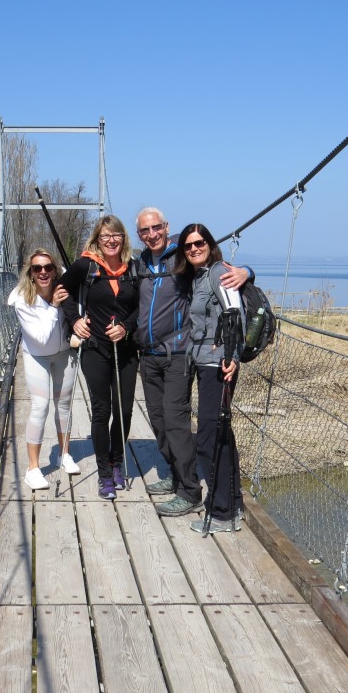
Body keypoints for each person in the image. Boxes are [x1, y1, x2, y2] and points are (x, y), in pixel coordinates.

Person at [135, 207, 250, 517]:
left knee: (176, 421)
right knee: (159, 421)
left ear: (166, 227)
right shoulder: (141, 262)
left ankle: (190, 490)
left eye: (156, 227)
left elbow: (224, 280)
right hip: (148, 355)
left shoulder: (182, 259)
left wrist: (247, 271)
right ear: (139, 234)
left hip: (179, 355)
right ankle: (176, 475)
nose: (151, 234)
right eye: (145, 230)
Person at [59, 215, 139, 500]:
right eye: (105, 236)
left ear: (123, 238)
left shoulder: (134, 268)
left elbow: (142, 306)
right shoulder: (86, 265)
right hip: (95, 349)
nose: (111, 240)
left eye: (116, 235)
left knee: (124, 410)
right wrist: (75, 321)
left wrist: (126, 327)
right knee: (102, 410)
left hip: (126, 349)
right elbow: (61, 291)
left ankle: (117, 462)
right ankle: (105, 473)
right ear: (97, 239)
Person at [173, 223, 243, 533]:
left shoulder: (218, 273)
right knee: (221, 435)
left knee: (207, 439)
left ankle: (221, 513)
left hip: (219, 366)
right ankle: (233, 505)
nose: (194, 249)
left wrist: (233, 357)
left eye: (199, 243)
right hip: (205, 363)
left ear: (210, 244)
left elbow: (235, 315)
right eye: (188, 245)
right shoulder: (199, 277)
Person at [8, 248, 80, 491]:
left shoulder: (64, 285)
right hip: (36, 356)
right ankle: (33, 469)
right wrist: (54, 306)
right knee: (40, 406)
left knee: (64, 404)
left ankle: (64, 454)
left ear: (55, 270)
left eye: (48, 267)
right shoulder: (21, 299)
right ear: (30, 272)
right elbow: (40, 338)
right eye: (37, 268)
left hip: (64, 353)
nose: (43, 272)